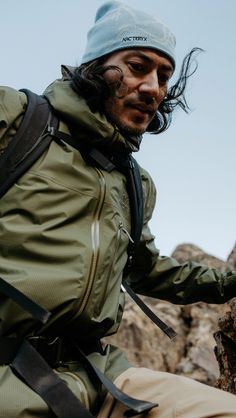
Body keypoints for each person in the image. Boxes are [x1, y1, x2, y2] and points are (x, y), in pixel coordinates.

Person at [0, 1, 236, 417]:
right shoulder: (18, 120)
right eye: (137, 65)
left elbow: (147, 269)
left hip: (98, 374)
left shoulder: (135, 182)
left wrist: (230, 284)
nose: (153, 87)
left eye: (164, 76)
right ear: (95, 66)